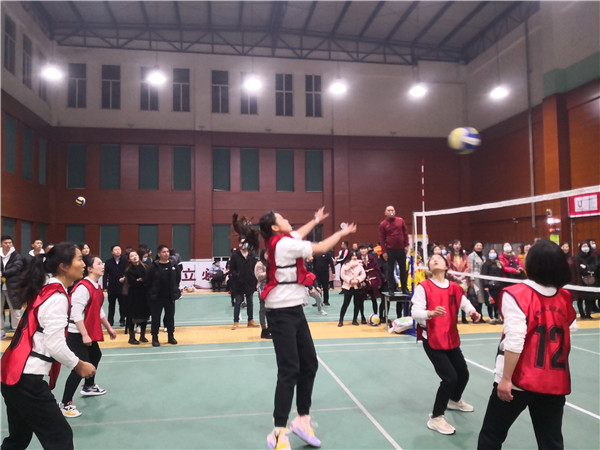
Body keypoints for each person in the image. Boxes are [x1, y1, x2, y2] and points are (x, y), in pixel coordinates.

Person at [259, 207, 356, 449]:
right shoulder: (283, 245)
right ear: (274, 227)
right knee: (289, 370)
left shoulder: (283, 239)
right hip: (280, 311)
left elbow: (298, 234)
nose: (287, 219)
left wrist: (315, 220)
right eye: (282, 218)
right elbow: (321, 247)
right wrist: (342, 233)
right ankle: (278, 432)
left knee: (310, 364)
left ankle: (302, 420)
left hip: (295, 309)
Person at [477, 240, 577, 449]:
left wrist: (505, 378)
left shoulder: (517, 293)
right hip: (553, 381)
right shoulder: (564, 297)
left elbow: (515, 340)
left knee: (491, 436)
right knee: (551, 441)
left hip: (518, 380)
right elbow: (571, 328)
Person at [0, 242, 96, 449]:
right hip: (27, 379)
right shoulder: (57, 297)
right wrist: (78, 364)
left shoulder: (46, 290)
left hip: (13, 375)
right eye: (79, 259)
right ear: (64, 266)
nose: (84, 264)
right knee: (60, 437)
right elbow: (55, 344)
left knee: (18, 439)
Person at [412, 253, 481, 435]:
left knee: (463, 374)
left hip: (450, 338)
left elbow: (464, 303)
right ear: (428, 267)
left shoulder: (454, 288)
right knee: (450, 378)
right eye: (431, 259)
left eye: (439, 258)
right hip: (432, 339)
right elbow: (415, 312)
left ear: (446, 265)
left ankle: (454, 400)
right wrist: (430, 313)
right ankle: (436, 417)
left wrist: (472, 312)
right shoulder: (423, 287)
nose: (435, 260)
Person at [60, 254, 117, 417]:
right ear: (90, 269)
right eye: (99, 263)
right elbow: (76, 313)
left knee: (96, 355)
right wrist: (84, 335)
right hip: (76, 332)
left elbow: (98, 310)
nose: (102, 266)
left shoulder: (96, 287)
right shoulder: (83, 287)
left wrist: (108, 328)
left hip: (86, 331)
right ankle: (65, 403)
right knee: (80, 367)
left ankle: (89, 386)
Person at [146, 245, 181, 347]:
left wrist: (175, 290)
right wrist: (152, 293)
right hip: (157, 297)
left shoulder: (174, 265)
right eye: (164, 252)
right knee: (156, 318)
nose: (166, 254)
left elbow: (177, 279)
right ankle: (155, 337)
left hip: (170, 296)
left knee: (170, 317)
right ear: (159, 254)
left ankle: (171, 336)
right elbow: (148, 281)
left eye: (167, 252)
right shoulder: (153, 266)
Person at [379, 205, 410, 295]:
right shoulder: (383, 224)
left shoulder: (401, 220)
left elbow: (405, 233)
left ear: (395, 212)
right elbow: (382, 239)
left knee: (403, 269)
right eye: (388, 210)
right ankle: (391, 289)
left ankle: (404, 288)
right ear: (385, 213)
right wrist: (384, 252)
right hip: (390, 250)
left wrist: (406, 245)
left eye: (392, 210)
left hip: (401, 250)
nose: (391, 212)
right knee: (390, 270)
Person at [230, 236, 259, 330]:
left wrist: (254, 279)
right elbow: (232, 269)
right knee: (238, 302)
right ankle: (236, 322)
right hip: (238, 283)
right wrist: (237, 276)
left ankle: (250, 321)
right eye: (242, 243)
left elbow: (255, 268)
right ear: (239, 244)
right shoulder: (235, 255)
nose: (244, 245)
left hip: (250, 283)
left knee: (250, 302)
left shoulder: (252, 255)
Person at [125, 250, 151, 344]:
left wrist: (142, 280)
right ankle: (131, 337)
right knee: (132, 316)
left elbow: (148, 279)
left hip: (145, 295)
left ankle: (142, 336)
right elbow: (133, 283)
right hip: (134, 295)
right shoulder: (128, 270)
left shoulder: (145, 267)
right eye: (132, 256)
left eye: (135, 255)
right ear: (129, 259)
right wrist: (142, 280)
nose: (134, 257)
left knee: (145, 315)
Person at [1, 235, 25, 332]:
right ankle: (1, 329)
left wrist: (3, 273)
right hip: (1, 286)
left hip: (13, 286)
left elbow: (17, 267)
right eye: (5, 243)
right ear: (1, 244)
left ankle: (17, 330)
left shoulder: (16, 256)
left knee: (15, 309)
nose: (8, 245)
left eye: (10, 243)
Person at [339, 251, 367, 326]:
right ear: (349, 256)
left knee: (357, 304)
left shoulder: (360, 265)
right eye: (353, 256)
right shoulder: (345, 265)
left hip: (357, 287)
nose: (354, 257)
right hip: (348, 287)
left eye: (355, 256)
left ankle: (355, 320)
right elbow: (342, 275)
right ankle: (341, 320)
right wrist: (350, 280)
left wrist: (357, 280)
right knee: (345, 304)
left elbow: (363, 275)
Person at [446, 239, 471, 324]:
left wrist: (462, 276)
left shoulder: (465, 256)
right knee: (454, 299)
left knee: (464, 298)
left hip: (463, 279)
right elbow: (448, 267)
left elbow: (468, 267)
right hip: (453, 280)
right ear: (452, 245)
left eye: (459, 244)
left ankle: (464, 317)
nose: (458, 246)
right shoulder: (449, 256)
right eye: (456, 244)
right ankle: (455, 317)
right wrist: (455, 277)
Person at [103, 245, 127, 327]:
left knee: (122, 305)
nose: (118, 251)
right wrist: (105, 287)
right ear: (112, 252)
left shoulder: (125, 261)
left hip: (122, 287)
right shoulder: (108, 262)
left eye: (119, 249)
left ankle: (122, 320)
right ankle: (110, 320)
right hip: (112, 287)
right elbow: (105, 275)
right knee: (111, 305)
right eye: (116, 250)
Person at [359, 244, 383, 318]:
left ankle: (375, 316)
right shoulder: (357, 259)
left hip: (373, 282)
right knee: (361, 300)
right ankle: (362, 316)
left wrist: (379, 282)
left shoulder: (372, 258)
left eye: (364, 249)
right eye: (361, 249)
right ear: (359, 250)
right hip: (362, 282)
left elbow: (377, 271)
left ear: (367, 249)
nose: (363, 250)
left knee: (374, 299)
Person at [575, 240, 598, 319]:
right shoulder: (577, 257)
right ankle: (582, 314)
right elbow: (578, 268)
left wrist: (586, 267)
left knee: (590, 298)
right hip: (580, 280)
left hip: (591, 280)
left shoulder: (593, 256)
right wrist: (587, 269)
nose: (586, 248)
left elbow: (595, 266)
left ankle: (588, 314)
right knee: (580, 298)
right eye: (584, 246)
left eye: (587, 246)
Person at [481, 249, 504, 324]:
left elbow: (501, 274)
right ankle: (490, 317)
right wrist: (485, 285)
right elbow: (484, 275)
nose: (492, 254)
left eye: (494, 252)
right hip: (489, 286)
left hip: (498, 286)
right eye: (491, 252)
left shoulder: (499, 263)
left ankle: (497, 317)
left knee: (497, 303)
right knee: (490, 303)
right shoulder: (486, 264)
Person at [468, 240, 486, 323]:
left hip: (482, 279)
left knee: (481, 298)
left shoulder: (483, 257)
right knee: (475, 298)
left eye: (480, 245)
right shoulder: (471, 256)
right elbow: (470, 268)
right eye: (477, 245)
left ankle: (480, 316)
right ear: (474, 247)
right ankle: (475, 317)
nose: (479, 247)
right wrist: (471, 280)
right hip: (475, 279)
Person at [254, 250, 271, 339]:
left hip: (272, 287)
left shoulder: (272, 263)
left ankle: (271, 328)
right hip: (263, 287)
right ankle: (264, 330)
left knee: (272, 309)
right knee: (263, 309)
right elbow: (259, 276)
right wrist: (269, 272)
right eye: (266, 253)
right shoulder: (259, 264)